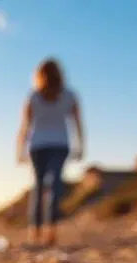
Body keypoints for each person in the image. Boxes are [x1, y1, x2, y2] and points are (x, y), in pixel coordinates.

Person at [16, 58, 85, 246]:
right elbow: (77, 123)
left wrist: (20, 149)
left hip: (38, 146)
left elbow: (25, 127)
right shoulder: (69, 95)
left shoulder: (34, 96)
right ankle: (50, 230)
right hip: (60, 144)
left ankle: (35, 231)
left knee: (39, 187)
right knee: (54, 186)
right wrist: (81, 145)